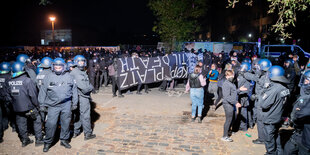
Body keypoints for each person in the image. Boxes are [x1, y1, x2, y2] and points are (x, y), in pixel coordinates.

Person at [38, 58, 78, 152]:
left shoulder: (69, 76)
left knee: (66, 123)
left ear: (64, 67)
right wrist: (42, 104)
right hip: (53, 105)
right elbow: (43, 91)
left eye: (60, 66)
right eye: (56, 66)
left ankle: (64, 140)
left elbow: (74, 90)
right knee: (51, 124)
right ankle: (48, 142)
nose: (58, 67)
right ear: (53, 66)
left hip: (66, 104)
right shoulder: (48, 77)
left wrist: (74, 103)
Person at [8, 61, 44, 147]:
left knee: (21, 124)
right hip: (30, 107)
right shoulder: (27, 80)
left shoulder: (9, 81)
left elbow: (8, 96)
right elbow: (33, 95)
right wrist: (37, 106)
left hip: (17, 108)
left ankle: (24, 140)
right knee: (37, 121)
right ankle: (38, 140)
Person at [260, 66, 290, 155]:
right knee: (276, 136)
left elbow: (264, 105)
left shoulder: (274, 89)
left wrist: (264, 92)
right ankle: (279, 152)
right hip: (278, 116)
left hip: (270, 118)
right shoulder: (284, 87)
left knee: (269, 139)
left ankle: (271, 153)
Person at [243, 58, 272, 145]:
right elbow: (253, 76)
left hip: (261, 101)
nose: (257, 68)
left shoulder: (265, 78)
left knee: (260, 120)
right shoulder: (266, 74)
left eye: (259, 67)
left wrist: (257, 96)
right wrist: (245, 73)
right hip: (260, 100)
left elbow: (266, 92)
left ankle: (262, 139)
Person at [284, 70, 310, 155]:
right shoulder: (305, 96)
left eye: (307, 80)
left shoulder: (307, 98)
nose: (304, 82)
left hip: (305, 136)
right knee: (288, 150)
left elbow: (300, 116)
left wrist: (295, 115)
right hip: (298, 133)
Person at [70, 55, 96, 140]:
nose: (81, 63)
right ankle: (87, 134)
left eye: (82, 61)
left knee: (78, 115)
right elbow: (85, 89)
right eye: (79, 62)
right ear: (76, 62)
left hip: (78, 97)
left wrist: (89, 87)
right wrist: (91, 87)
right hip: (82, 97)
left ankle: (76, 132)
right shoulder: (76, 72)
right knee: (85, 115)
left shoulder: (80, 71)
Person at [221, 70, 243, 142]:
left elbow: (233, 92)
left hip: (231, 104)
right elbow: (227, 96)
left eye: (232, 75)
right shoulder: (226, 84)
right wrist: (236, 102)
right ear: (226, 76)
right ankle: (224, 136)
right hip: (228, 104)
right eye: (230, 76)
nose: (232, 77)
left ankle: (228, 131)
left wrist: (239, 90)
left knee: (234, 117)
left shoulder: (231, 83)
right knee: (229, 120)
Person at [0, 62, 13, 143]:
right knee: (11, 113)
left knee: (2, 115)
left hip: (0, 98)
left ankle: (4, 126)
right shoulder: (9, 77)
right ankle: (13, 126)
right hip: (7, 99)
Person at [236, 62, 251, 131]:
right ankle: (239, 125)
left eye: (242, 68)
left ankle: (243, 127)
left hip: (243, 98)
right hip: (238, 96)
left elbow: (246, 89)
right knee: (238, 113)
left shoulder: (246, 77)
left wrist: (238, 91)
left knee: (243, 113)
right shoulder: (239, 75)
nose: (240, 69)